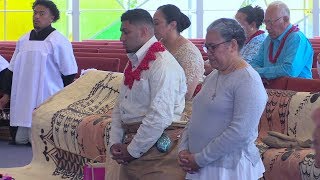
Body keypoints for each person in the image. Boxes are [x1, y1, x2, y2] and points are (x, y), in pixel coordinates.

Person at [178, 18, 267, 180]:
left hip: (230, 169)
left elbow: (241, 132)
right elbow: (196, 116)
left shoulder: (248, 80)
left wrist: (200, 159)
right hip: (199, 165)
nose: (208, 53)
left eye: (212, 47)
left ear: (232, 45)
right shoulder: (213, 76)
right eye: (206, 47)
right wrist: (183, 149)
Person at [109, 8, 187, 180]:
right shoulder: (134, 62)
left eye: (126, 32)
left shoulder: (162, 64)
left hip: (157, 151)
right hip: (133, 145)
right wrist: (115, 142)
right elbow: (120, 105)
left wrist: (132, 150)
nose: (121, 38)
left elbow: (159, 116)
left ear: (144, 31)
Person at [0, 0, 78, 145]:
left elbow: (69, 73)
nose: (36, 16)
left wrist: (61, 98)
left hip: (47, 94)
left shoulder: (59, 41)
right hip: (23, 97)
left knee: (39, 140)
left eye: (42, 13)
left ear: (52, 18)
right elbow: (11, 69)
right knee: (20, 140)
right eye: (35, 13)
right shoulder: (23, 39)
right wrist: (6, 95)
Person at [250, 1, 313, 79]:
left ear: (286, 19)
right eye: (265, 23)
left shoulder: (297, 38)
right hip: (271, 89)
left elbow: (289, 71)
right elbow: (254, 63)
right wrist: (261, 74)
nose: (267, 27)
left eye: (270, 22)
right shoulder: (268, 39)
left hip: (297, 89)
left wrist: (261, 73)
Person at [153, 4, 204, 100]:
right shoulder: (157, 45)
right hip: (157, 98)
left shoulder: (189, 52)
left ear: (172, 25)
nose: (152, 27)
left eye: (156, 23)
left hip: (182, 106)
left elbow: (187, 94)